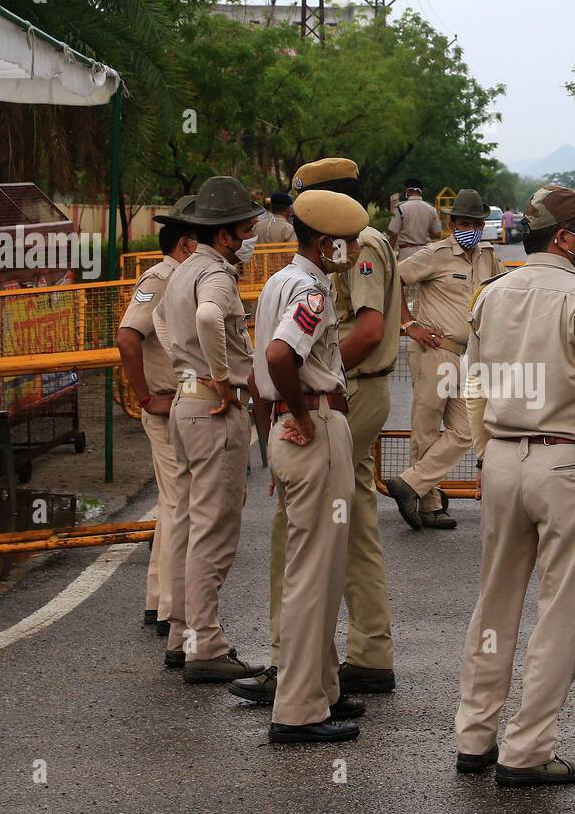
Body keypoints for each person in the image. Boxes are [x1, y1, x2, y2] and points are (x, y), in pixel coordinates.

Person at [454, 185, 575, 788]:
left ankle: (475, 736)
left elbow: (474, 388)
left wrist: (487, 457)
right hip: (567, 463)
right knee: (562, 612)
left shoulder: (491, 294)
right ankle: (528, 750)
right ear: (563, 237)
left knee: (495, 602)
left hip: (504, 458)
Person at [231, 157, 403, 706]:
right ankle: (350, 660)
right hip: (327, 396)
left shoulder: (359, 246)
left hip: (343, 395)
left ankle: (294, 664)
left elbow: (368, 328)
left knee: (304, 536)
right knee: (342, 526)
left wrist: (318, 390)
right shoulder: (311, 277)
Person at [253, 189, 371, 744]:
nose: (349, 252)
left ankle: (321, 689)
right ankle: (299, 710)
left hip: (291, 430)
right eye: (343, 244)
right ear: (325, 243)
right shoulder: (309, 290)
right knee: (313, 575)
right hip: (314, 426)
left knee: (316, 567)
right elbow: (281, 357)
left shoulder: (281, 280)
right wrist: (301, 413)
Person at [153, 175, 266, 684]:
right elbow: (207, 317)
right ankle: (205, 642)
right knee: (214, 530)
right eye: (243, 232)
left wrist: (192, 370)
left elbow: (158, 319)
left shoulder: (181, 270)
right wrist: (221, 377)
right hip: (212, 408)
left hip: (184, 402)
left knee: (187, 523)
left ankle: (181, 633)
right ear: (223, 235)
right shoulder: (216, 277)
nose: (247, 241)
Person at [383, 189, 501, 531]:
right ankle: (430, 504)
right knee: (426, 427)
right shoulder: (433, 254)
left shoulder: (487, 257)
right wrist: (409, 324)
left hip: (467, 355)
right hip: (434, 350)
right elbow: (393, 282)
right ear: (452, 223)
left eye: (477, 223)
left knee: (466, 429)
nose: (472, 229)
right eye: (465, 223)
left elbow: (503, 288)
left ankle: (411, 483)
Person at [115, 195, 196, 639]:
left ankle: (158, 601)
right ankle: (169, 608)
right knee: (178, 504)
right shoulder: (161, 278)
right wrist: (145, 397)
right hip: (166, 406)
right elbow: (127, 338)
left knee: (173, 504)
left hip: (180, 402)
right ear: (186, 244)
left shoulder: (180, 278)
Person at [387, 177, 442, 261]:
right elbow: (437, 234)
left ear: (408, 191)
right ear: (420, 192)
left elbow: (393, 233)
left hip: (406, 252)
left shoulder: (401, 208)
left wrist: (389, 254)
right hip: (425, 252)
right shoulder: (431, 209)